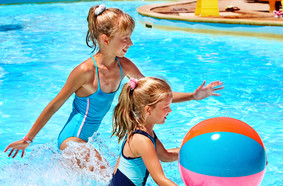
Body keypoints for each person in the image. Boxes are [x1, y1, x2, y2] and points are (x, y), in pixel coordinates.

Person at [4, 5, 223, 169]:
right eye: (125, 39)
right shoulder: (85, 72)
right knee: (110, 181)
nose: (131, 44)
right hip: (71, 141)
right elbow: (54, 105)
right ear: (105, 39)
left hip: (87, 141)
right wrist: (27, 139)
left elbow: (153, 95)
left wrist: (193, 96)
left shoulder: (124, 65)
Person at [106, 77, 216, 186]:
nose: (170, 111)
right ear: (148, 110)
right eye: (165, 107)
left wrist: (193, 151)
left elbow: (165, 156)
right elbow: (159, 178)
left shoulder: (146, 131)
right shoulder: (142, 140)